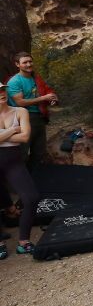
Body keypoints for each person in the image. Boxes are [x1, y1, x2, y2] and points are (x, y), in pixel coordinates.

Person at [0, 81, 39, 258]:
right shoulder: (17, 119)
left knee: (31, 197)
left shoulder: (20, 111)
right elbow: (19, 133)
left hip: (12, 161)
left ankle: (24, 241)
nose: (1, 93)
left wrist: (3, 134)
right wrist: (13, 129)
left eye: (2, 89)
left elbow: (25, 137)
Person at [6, 51, 57, 170]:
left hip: (39, 117)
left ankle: (33, 177)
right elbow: (20, 102)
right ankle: (17, 182)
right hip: (22, 118)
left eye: (30, 61)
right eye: (25, 62)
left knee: (39, 151)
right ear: (17, 64)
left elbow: (46, 90)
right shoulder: (14, 81)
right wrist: (44, 98)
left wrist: (51, 98)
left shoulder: (35, 77)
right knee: (22, 152)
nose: (29, 64)